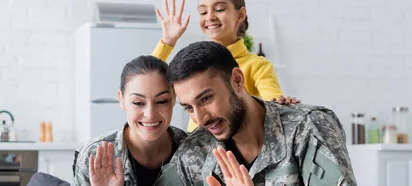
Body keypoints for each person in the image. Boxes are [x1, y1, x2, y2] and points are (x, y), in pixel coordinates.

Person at [155, 41, 356, 185]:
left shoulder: (307, 129)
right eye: (189, 108)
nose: (200, 119)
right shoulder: (195, 150)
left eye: (206, 99)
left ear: (237, 80)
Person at [151, 0, 294, 132]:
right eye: (203, 12)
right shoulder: (192, 65)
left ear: (240, 14)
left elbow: (272, 101)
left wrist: (281, 103)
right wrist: (167, 41)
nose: (210, 17)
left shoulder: (257, 66)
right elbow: (145, 82)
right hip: (197, 151)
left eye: (219, 9)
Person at [73, 55, 188, 186]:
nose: (150, 115)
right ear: (121, 99)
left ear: (174, 98)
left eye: (161, 101)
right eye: (138, 103)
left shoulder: (195, 149)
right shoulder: (93, 157)